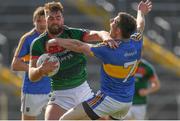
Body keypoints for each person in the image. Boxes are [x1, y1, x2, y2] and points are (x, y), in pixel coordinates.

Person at [46, 0, 152, 120]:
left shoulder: (109, 49)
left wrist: (56, 41)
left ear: (118, 31)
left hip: (108, 100)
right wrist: (140, 12)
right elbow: (140, 25)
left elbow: (79, 46)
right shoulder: (136, 40)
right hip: (126, 102)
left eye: (115, 21)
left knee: (64, 119)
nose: (111, 20)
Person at [28, 1, 118, 120]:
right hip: (60, 95)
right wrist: (40, 70)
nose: (55, 21)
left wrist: (106, 37)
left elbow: (98, 33)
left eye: (58, 17)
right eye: (51, 18)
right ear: (46, 20)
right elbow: (31, 75)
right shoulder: (38, 44)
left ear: (62, 19)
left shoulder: (73, 33)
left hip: (83, 91)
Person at [11, 7, 51, 120]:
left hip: (53, 90)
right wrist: (38, 69)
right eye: (39, 21)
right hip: (32, 91)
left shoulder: (54, 36)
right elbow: (15, 64)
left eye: (45, 21)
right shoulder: (27, 39)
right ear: (34, 22)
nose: (42, 24)